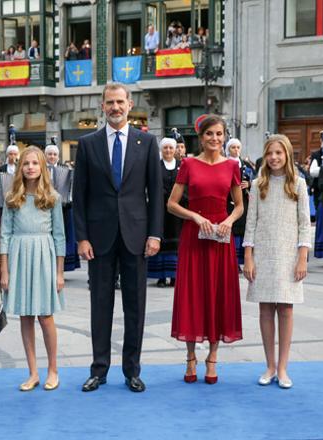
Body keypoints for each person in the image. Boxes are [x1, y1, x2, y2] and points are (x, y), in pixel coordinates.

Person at [73, 83, 163, 393]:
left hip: (137, 237)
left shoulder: (147, 142)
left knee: (135, 306)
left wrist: (155, 234)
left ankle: (132, 371)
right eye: (110, 102)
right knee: (100, 305)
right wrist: (81, 238)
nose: (115, 107)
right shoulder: (87, 144)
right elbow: (79, 196)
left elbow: (155, 193)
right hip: (98, 240)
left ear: (130, 104)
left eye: (120, 102)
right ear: (102, 106)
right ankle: (99, 370)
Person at [168, 116, 243, 385]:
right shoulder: (188, 164)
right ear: (201, 137)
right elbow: (172, 204)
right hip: (194, 238)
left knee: (217, 294)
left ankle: (212, 358)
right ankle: (190, 358)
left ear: (224, 136)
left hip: (221, 239)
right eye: (209, 134)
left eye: (219, 134)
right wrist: (194, 217)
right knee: (193, 295)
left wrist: (228, 221)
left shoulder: (233, 166)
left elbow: (239, 206)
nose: (215, 138)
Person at [243, 134, 311, 389]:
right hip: (263, 254)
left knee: (286, 309)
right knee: (264, 309)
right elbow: (250, 224)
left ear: (287, 155)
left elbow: (305, 224)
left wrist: (302, 257)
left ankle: (283, 367)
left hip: (289, 255)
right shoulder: (258, 183)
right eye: (270, 153)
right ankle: (269, 365)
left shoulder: (299, 184)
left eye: (278, 153)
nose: (273, 157)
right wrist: (248, 257)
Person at [0, 146, 65, 391]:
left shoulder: (52, 198)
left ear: (42, 167)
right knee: (26, 317)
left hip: (43, 256)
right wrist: (3, 270)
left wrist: (59, 273)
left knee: (46, 316)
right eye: (26, 163)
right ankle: (33, 372)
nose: (30, 167)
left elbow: (60, 237)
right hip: (18, 256)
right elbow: (4, 234)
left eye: (35, 163)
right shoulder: (11, 198)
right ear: (19, 167)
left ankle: (53, 369)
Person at [148, 138, 182, 287]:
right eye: (165, 148)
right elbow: (152, 185)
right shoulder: (156, 166)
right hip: (160, 209)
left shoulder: (182, 166)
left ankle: (174, 276)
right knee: (160, 240)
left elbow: (186, 186)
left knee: (176, 244)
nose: (168, 150)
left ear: (175, 150)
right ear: (161, 150)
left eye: (170, 148)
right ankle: (161, 276)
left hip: (177, 212)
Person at [45, 143, 79, 272]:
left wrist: (69, 196)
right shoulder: (41, 169)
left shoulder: (66, 169)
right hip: (45, 208)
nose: (52, 157)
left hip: (64, 207)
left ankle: (63, 266)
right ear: (45, 155)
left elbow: (71, 187)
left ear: (58, 157)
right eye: (49, 154)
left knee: (64, 236)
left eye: (54, 154)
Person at [225, 138, 254, 269]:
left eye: (238, 147)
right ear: (228, 149)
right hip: (228, 202)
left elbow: (254, 181)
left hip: (243, 201)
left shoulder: (246, 165)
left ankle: (241, 260)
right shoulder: (224, 164)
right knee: (232, 231)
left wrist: (249, 184)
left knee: (242, 230)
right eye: (233, 147)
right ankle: (231, 261)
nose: (236, 150)